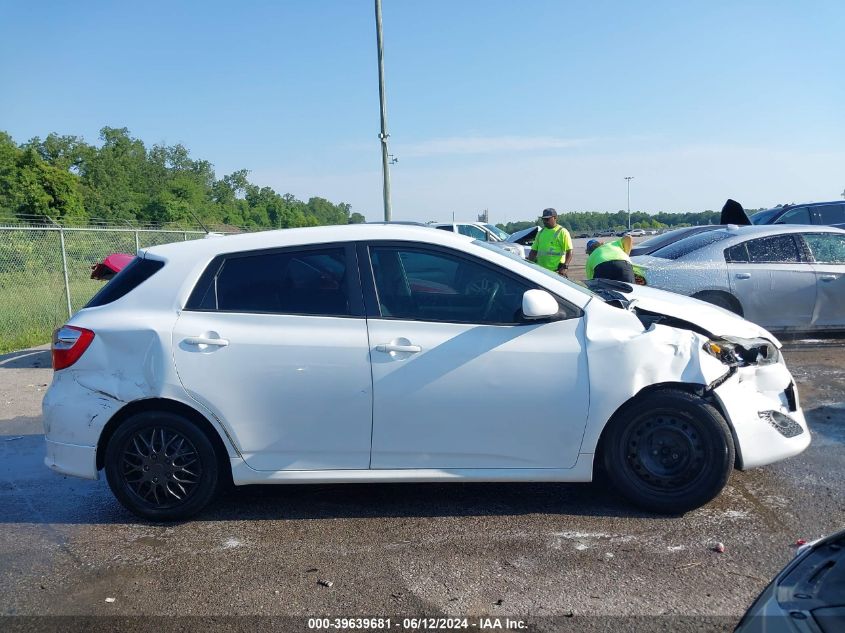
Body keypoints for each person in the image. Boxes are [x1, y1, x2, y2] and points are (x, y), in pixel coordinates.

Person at [527, 208, 573, 276]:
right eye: (543, 219)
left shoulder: (562, 232)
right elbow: (533, 251)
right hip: (541, 271)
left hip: (556, 272)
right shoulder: (540, 233)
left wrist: (565, 267)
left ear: (555, 218)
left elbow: (569, 251)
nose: (545, 221)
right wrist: (529, 264)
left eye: (547, 219)